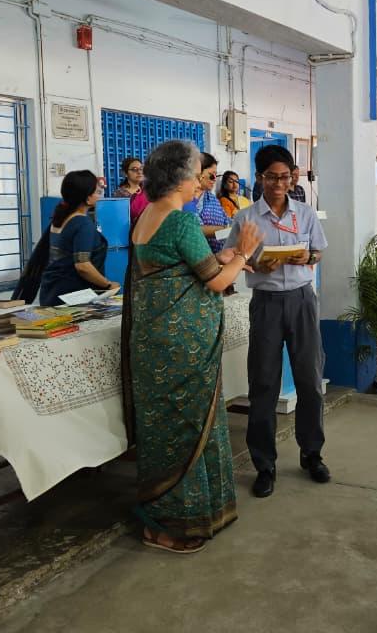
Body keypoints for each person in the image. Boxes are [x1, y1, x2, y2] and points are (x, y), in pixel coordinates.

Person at [121, 139, 261, 554]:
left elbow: (185, 268)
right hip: (183, 349)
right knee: (186, 429)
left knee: (166, 431)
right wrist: (243, 254)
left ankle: (186, 516)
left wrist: (227, 256)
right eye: (198, 174)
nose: (201, 182)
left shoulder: (147, 215)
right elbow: (216, 282)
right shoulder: (181, 222)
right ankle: (172, 526)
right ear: (180, 177)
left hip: (155, 346)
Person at [226, 144, 330, 499]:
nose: (279, 184)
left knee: (309, 380)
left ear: (293, 177)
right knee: (264, 383)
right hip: (266, 303)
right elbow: (233, 259)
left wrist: (306, 257)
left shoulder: (305, 213)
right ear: (259, 177)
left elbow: (318, 251)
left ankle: (312, 453)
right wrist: (256, 264)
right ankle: (264, 465)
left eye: (285, 177)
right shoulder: (246, 219)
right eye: (272, 177)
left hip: (302, 301)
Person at [39, 170, 117, 306]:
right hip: (72, 296)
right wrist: (108, 284)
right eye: (97, 192)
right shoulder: (82, 223)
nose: (99, 196)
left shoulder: (59, 219)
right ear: (87, 198)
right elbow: (83, 266)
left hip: (51, 292)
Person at [194, 152, 231, 253]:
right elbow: (195, 230)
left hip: (218, 256)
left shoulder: (212, 198)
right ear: (198, 173)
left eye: (216, 175)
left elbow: (226, 221)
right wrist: (227, 230)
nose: (214, 179)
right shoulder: (185, 198)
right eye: (211, 175)